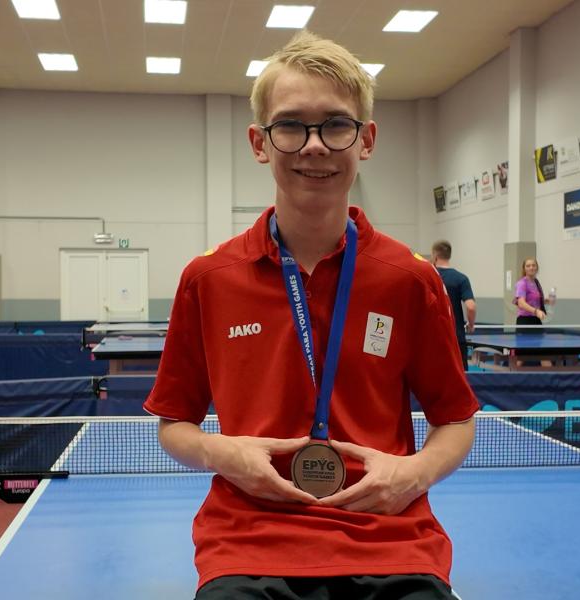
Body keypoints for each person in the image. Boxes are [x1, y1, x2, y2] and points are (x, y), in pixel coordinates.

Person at [144, 31, 478, 600]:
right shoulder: (207, 279)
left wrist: (414, 473)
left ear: (366, 138)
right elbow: (174, 424)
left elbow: (456, 420)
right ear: (259, 142)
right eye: (292, 125)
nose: (314, 146)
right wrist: (223, 452)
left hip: (391, 538)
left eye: (336, 125)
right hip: (248, 541)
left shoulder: (411, 279)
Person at [431, 240, 476, 370]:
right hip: (456, 337)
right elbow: (471, 306)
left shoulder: (427, 276)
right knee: (461, 378)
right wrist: (471, 325)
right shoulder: (461, 278)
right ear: (449, 255)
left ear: (435, 256)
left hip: (432, 337)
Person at [513, 257, 553, 327]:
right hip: (525, 321)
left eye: (533, 265)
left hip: (536, 320)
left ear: (537, 268)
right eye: (528, 266)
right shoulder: (522, 283)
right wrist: (536, 311)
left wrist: (544, 301)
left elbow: (532, 300)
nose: (531, 268)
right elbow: (521, 303)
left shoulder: (536, 282)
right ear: (524, 269)